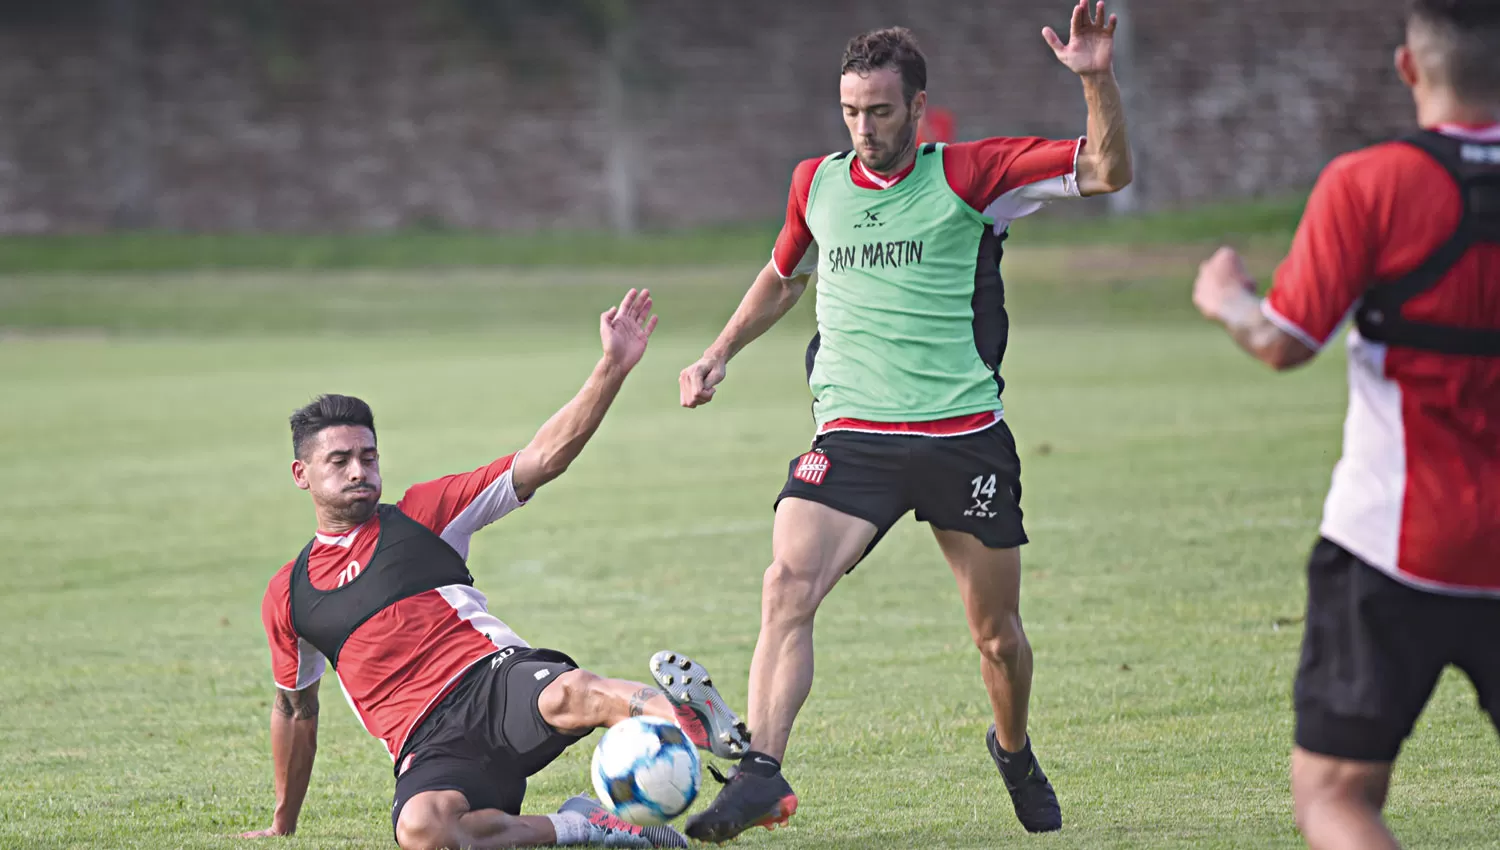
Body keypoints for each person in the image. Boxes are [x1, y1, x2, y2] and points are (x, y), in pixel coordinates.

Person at [676, 2, 1133, 841]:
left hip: (962, 437)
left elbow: (1106, 170)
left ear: (917, 109)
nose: (863, 128)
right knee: (787, 585)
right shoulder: (816, 182)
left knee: (996, 639)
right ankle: (762, 775)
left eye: (880, 112)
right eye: (850, 111)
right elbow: (785, 275)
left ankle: (1013, 748)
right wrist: (717, 353)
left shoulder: (973, 173)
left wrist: (1096, 80)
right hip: (854, 435)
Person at [240, 289, 750, 850]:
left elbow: (542, 458)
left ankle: (693, 721)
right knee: (425, 832)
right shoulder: (289, 594)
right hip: (426, 741)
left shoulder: (422, 515)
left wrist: (611, 367)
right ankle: (587, 826)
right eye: (339, 461)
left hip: (494, 682)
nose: (359, 470)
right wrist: (283, 821)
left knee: (574, 693)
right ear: (301, 474)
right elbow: (295, 708)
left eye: (368, 456)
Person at [1191, 3, 1500, 848]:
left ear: (1409, 67)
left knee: (1335, 795)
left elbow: (1282, 343)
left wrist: (1226, 296)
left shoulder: (1367, 184)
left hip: (1391, 546)